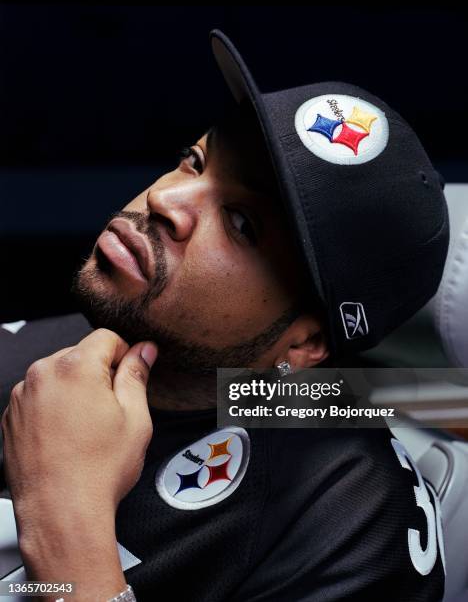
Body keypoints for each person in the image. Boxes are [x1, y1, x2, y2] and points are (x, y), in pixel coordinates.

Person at [0, 30, 448, 601]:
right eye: (195, 161)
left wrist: (67, 516)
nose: (166, 200)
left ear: (303, 345)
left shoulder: (350, 519)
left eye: (241, 223)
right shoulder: (43, 354)